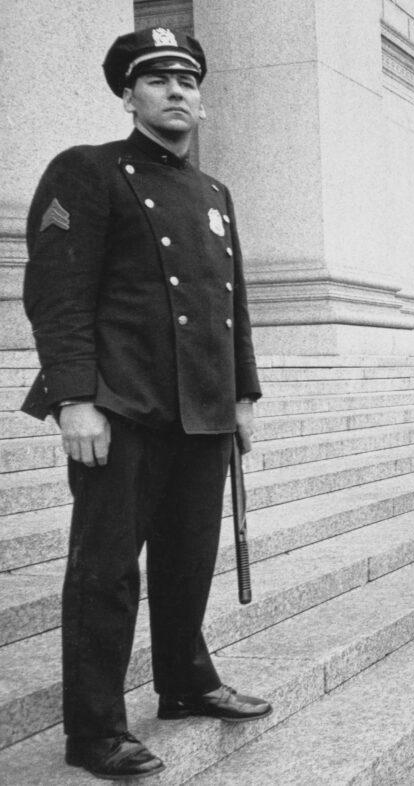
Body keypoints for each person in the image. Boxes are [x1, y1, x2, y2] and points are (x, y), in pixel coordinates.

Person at [19, 28, 272, 780]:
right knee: (105, 572)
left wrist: (243, 393)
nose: (175, 91)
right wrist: (74, 398)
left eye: (186, 80)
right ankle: (94, 730)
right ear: (128, 95)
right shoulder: (87, 172)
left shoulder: (214, 193)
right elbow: (57, 295)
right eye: (156, 79)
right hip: (120, 406)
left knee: (189, 559)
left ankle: (187, 683)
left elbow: (234, 306)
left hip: (201, 406)